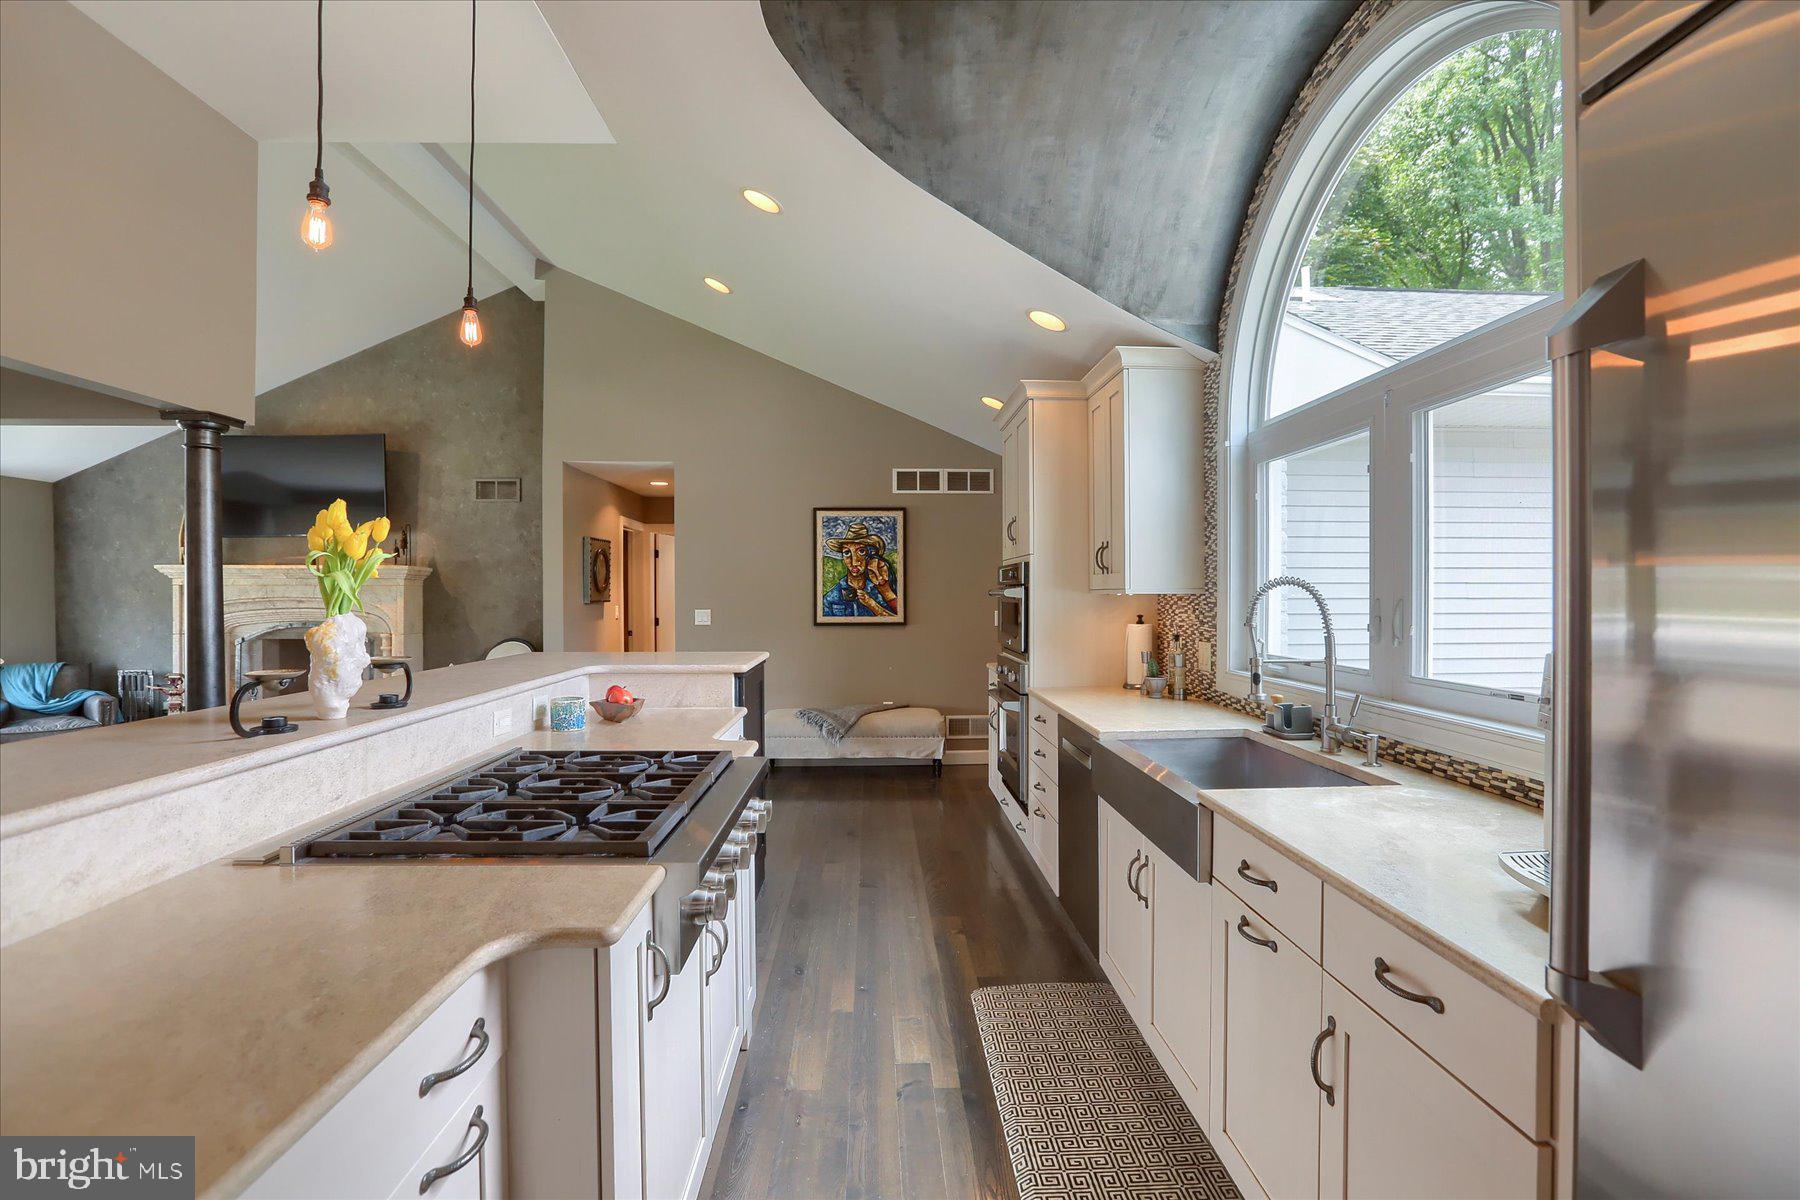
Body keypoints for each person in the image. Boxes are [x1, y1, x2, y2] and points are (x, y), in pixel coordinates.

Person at [820, 521, 900, 618]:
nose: (854, 562)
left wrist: (872, 605)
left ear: (870, 555)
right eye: (847, 553)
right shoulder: (831, 598)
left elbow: (899, 619)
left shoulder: (881, 592)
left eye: (861, 551)